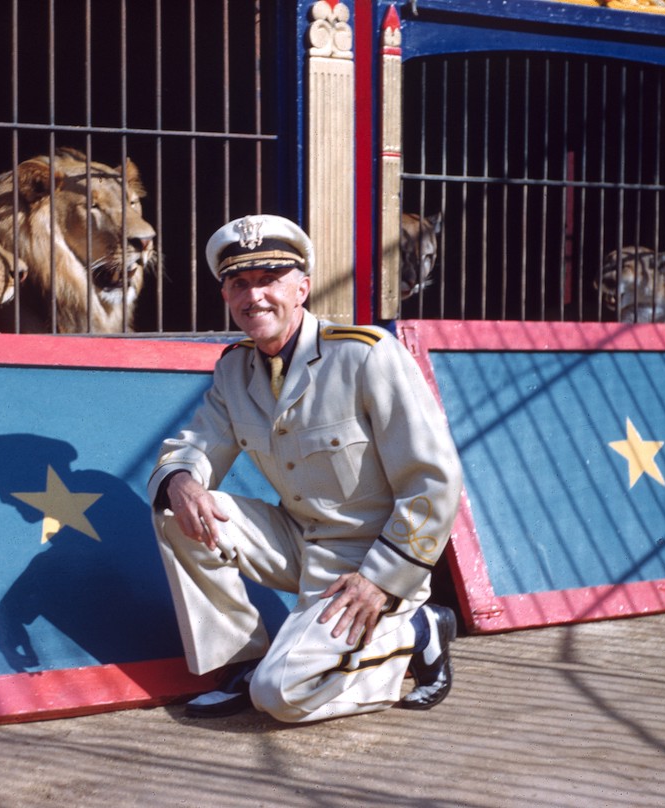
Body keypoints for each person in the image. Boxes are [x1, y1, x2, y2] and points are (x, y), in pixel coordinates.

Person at [147, 213, 464, 722]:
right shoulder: (236, 369)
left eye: (269, 280)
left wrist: (384, 580)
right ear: (227, 296)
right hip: (300, 541)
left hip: (369, 562)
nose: (255, 297)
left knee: (281, 698)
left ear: (303, 288)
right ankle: (243, 661)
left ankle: (416, 629)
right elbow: (196, 445)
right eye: (239, 284)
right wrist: (183, 480)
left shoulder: (366, 356)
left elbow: (434, 478)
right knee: (175, 510)